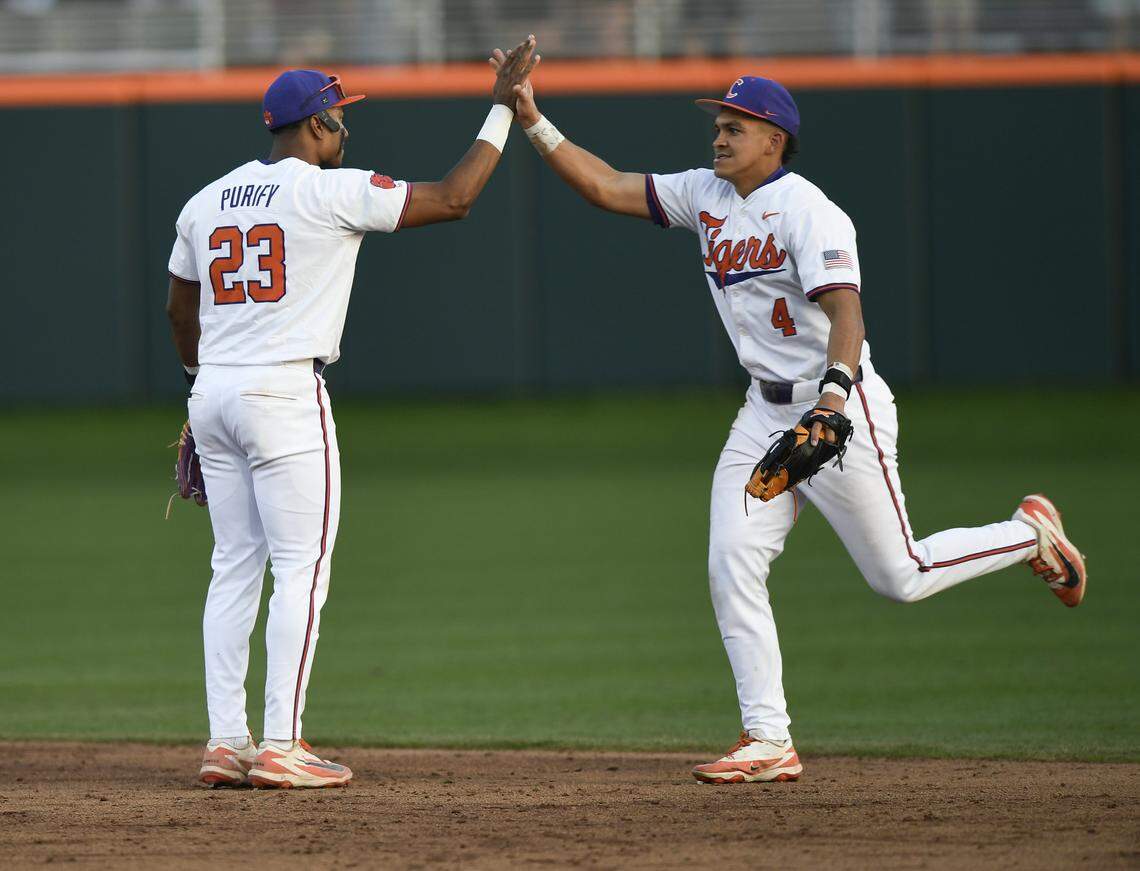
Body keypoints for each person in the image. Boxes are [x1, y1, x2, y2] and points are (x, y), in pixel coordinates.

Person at [499, 68, 1087, 783]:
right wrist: (530, 116)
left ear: (774, 140)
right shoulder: (706, 194)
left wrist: (832, 402)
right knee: (731, 558)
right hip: (764, 412)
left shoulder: (810, 211)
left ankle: (1031, 533)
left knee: (900, 574)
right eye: (717, 123)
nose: (718, 134)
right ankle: (768, 737)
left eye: (733, 126)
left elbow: (847, 312)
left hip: (839, 410)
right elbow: (605, 185)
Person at [167, 37, 539, 789]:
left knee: (233, 567)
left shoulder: (205, 199)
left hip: (216, 392)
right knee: (301, 568)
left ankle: (224, 740)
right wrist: (500, 109)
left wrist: (195, 381)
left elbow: (180, 304)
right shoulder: (325, 191)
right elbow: (454, 197)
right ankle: (281, 743)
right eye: (337, 118)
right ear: (311, 127)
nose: (344, 130)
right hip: (283, 394)